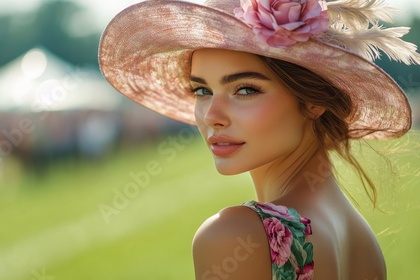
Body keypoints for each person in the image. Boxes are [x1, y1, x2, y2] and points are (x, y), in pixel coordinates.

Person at [98, 0, 420, 279]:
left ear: (313, 100)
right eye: (202, 90)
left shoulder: (237, 237)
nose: (212, 115)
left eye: (245, 89)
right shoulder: (360, 238)